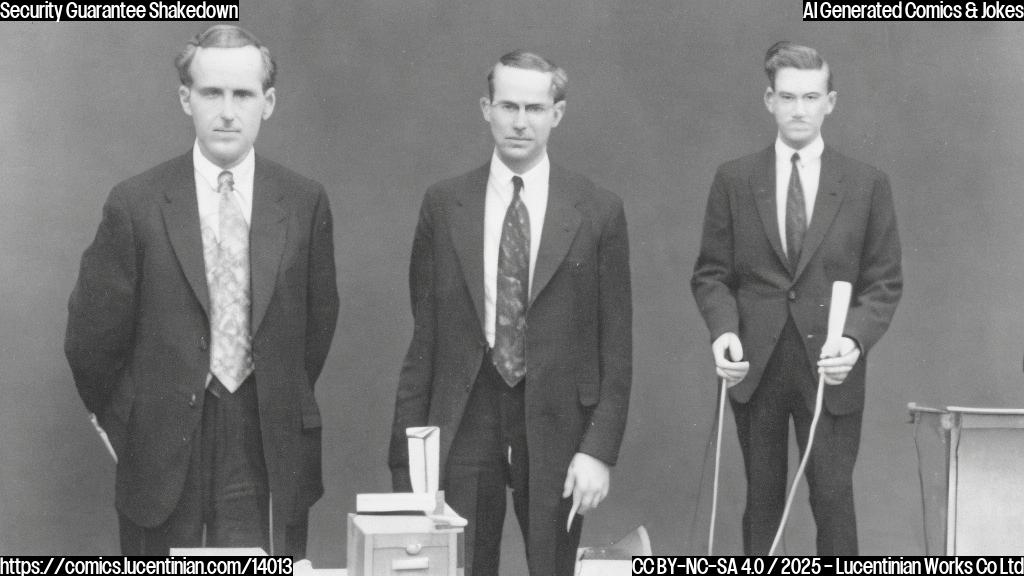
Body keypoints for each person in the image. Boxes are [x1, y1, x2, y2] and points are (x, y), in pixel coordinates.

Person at [65, 25, 339, 556]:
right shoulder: (136, 203)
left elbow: (315, 328)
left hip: (265, 437)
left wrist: (273, 391)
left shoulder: (304, 202)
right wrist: (130, 422)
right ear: (185, 98)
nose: (228, 111)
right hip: (161, 445)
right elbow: (91, 339)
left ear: (270, 102)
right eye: (212, 93)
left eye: (244, 94)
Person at [388, 50, 632, 575]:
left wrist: (599, 449)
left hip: (559, 426)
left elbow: (616, 343)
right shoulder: (444, 204)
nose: (521, 122)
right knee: (462, 565)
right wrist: (409, 452)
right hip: (467, 415)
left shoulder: (597, 210)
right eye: (508, 106)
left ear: (557, 114)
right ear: (486, 108)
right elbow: (425, 336)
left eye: (535, 108)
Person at [691, 41, 902, 555]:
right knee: (761, 501)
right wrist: (723, 332)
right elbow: (711, 275)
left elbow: (885, 282)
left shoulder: (865, 183)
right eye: (788, 97)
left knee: (833, 498)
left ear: (831, 101)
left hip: (829, 365)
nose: (800, 109)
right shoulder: (735, 179)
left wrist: (852, 341)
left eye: (811, 96)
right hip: (756, 365)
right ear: (769, 100)